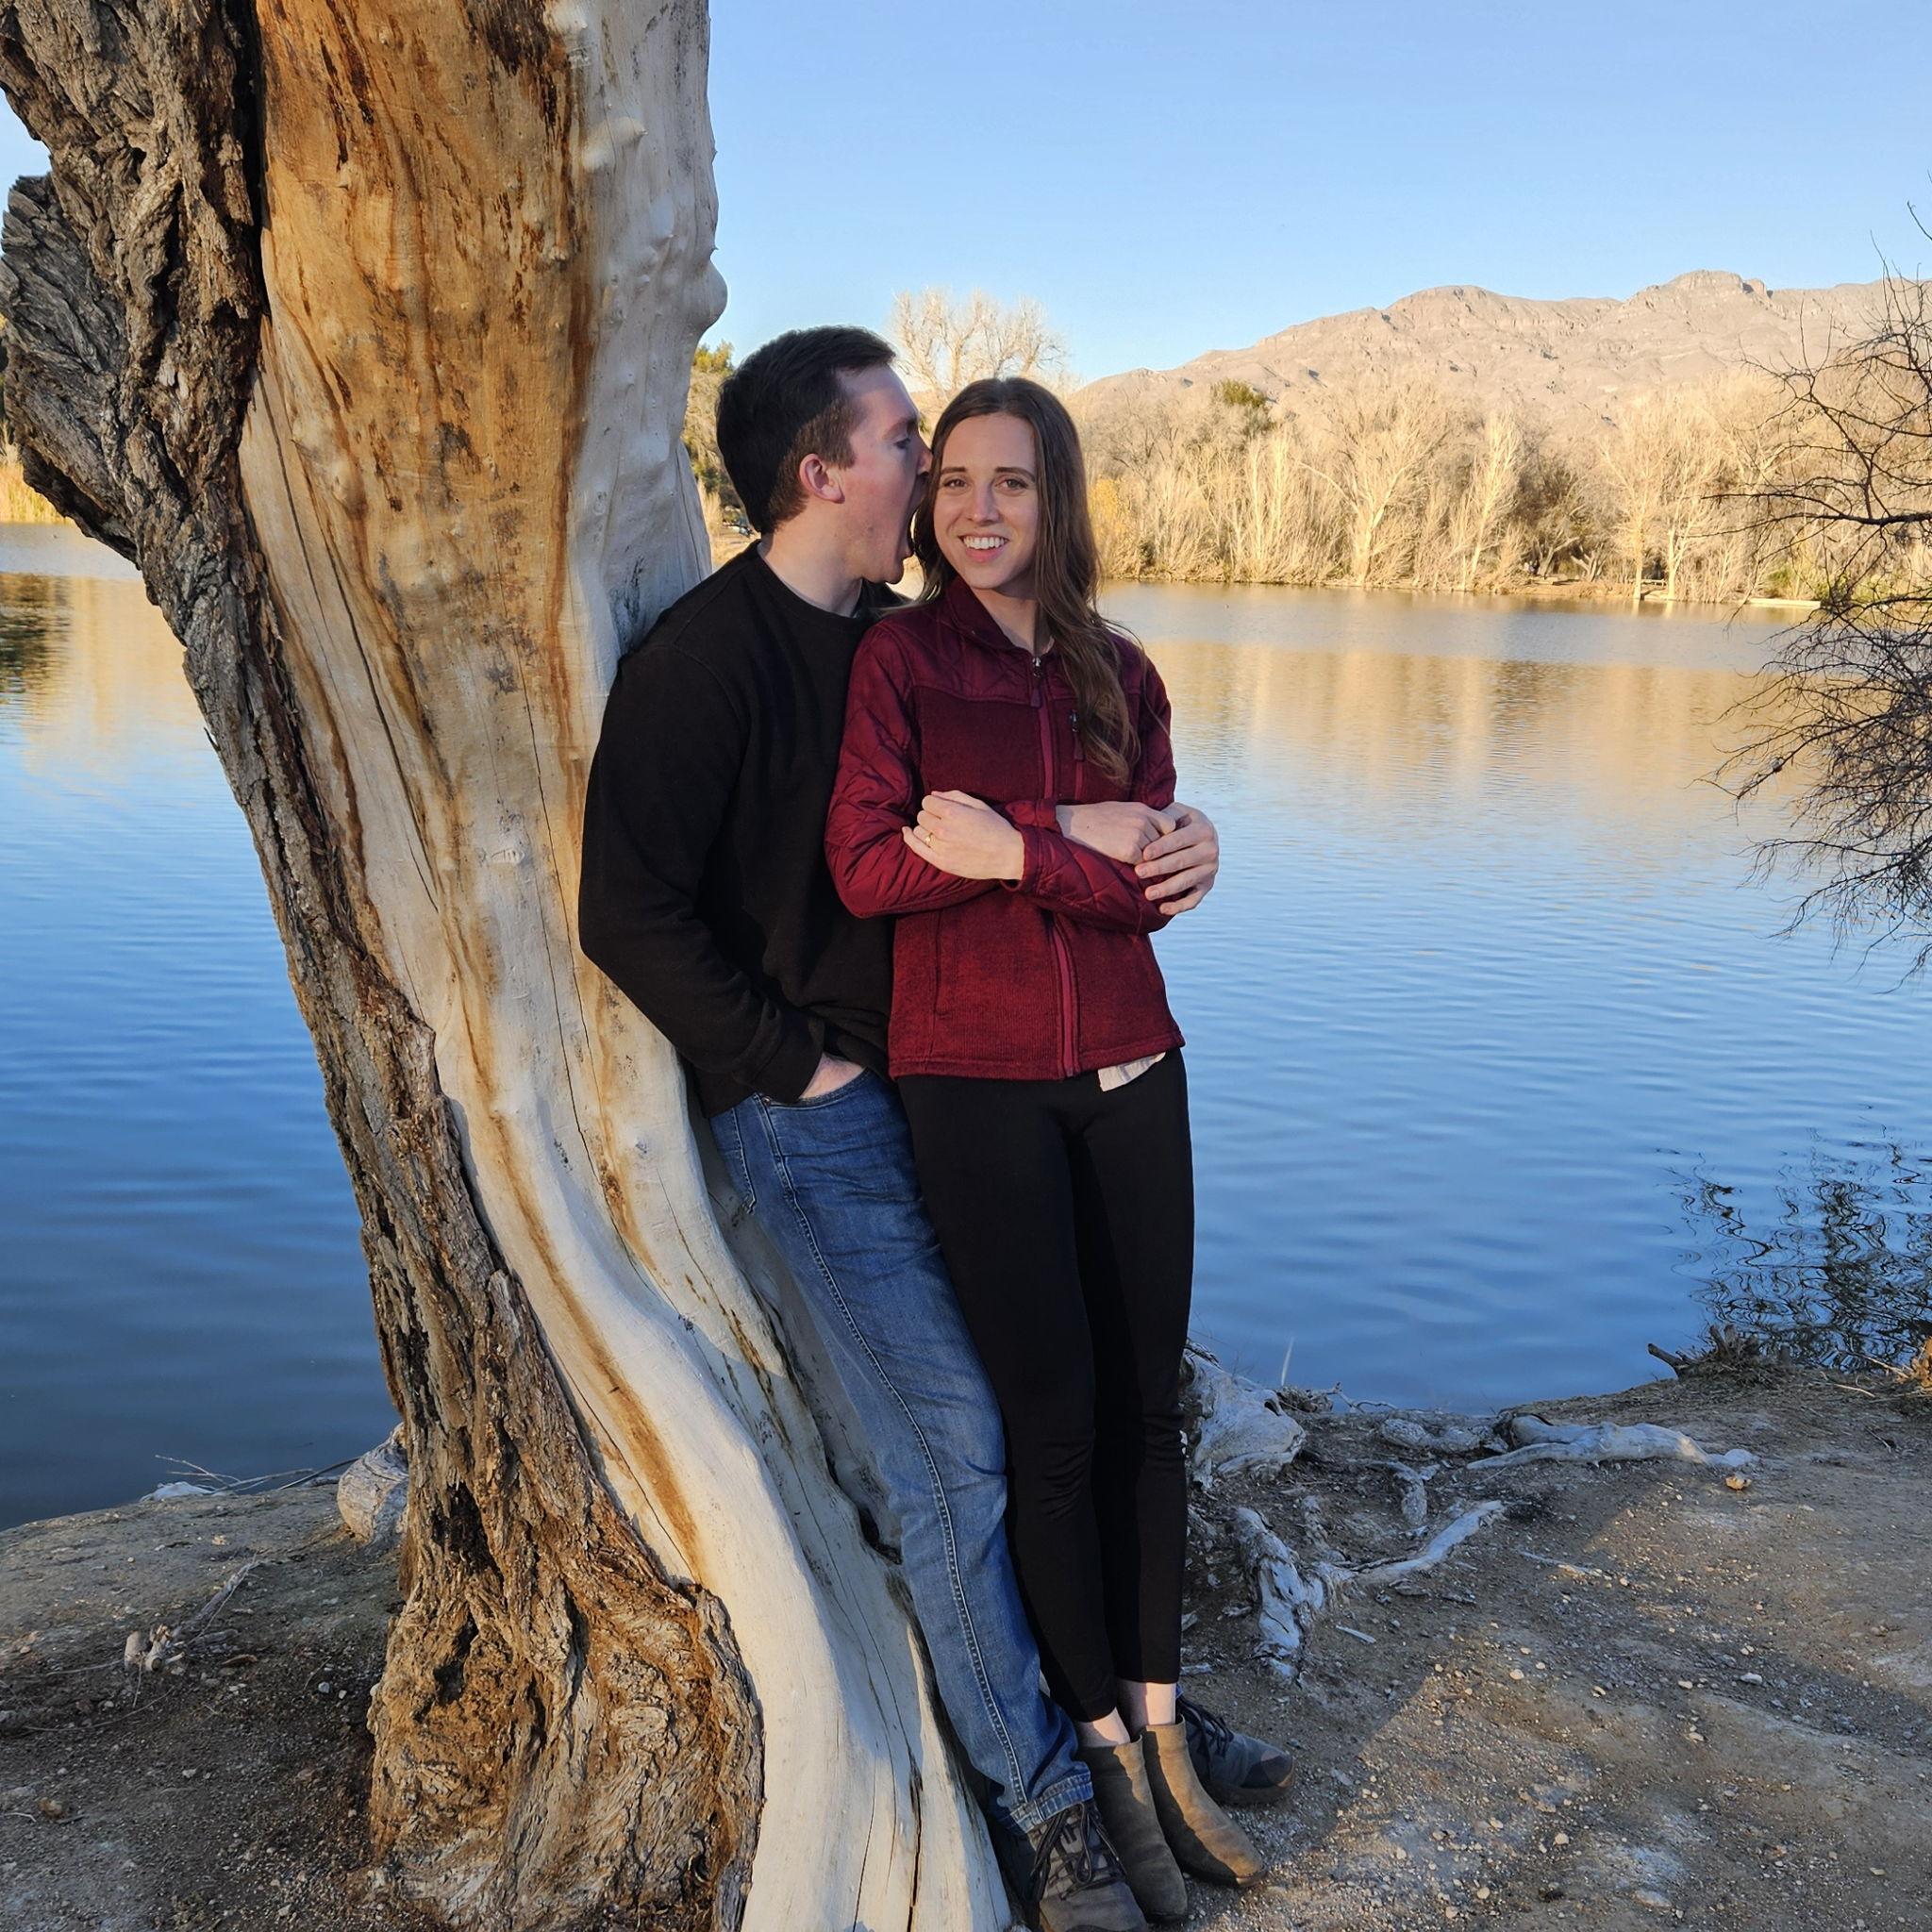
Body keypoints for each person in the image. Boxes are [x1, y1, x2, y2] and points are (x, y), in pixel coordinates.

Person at [578, 326, 1226, 1932]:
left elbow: (1046, 829)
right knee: (958, 1450)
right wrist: (785, 1068)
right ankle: (1049, 1801)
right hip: (824, 1119)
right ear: (824, 473)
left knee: (1065, 1407)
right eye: (905, 449)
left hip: (968, 1085)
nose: (929, 481)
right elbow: (623, 912)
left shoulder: (898, 639)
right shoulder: (704, 663)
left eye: (965, 467)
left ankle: (1132, 1722)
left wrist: (1150, 835)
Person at [825, 376, 1291, 1922]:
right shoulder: (898, 661)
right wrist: (1069, 843)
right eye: (953, 480)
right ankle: (1095, 1747)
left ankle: (1164, 1731)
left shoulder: (1122, 670)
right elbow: (871, 866)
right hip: (973, 1084)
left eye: (1010, 483)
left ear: (1057, 498)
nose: (976, 509)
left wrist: (1037, 844)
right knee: (1057, 1429)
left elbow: (1148, 882)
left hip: (1135, 1065)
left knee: (1146, 1412)